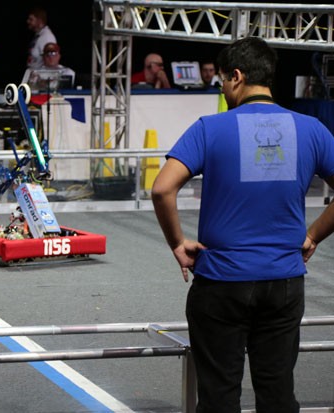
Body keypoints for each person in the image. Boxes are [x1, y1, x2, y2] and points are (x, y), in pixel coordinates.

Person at [151, 36, 334, 412]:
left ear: (236, 76)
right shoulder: (312, 129)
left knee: (219, 396)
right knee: (278, 394)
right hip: (284, 282)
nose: (221, 87)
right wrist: (313, 235)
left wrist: (177, 243)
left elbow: (161, 189)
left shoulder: (208, 128)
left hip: (222, 282)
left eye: (221, 79)